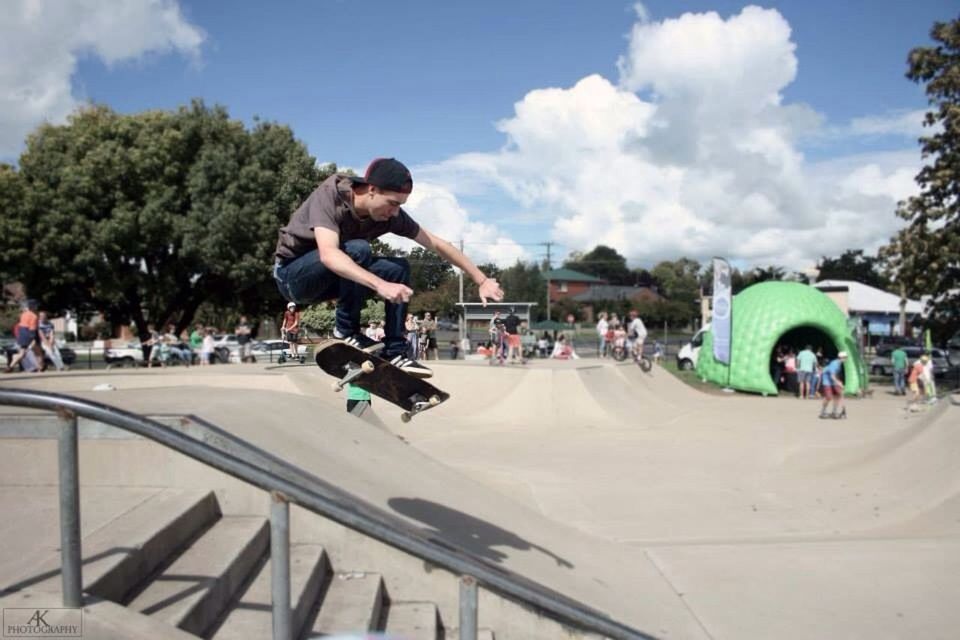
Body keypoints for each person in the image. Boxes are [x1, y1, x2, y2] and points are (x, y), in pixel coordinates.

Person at [273, 157, 503, 378]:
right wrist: (380, 285)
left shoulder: (391, 216)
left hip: (332, 280)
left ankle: (395, 351)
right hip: (293, 277)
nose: (394, 212)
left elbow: (436, 243)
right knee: (358, 249)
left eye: (400, 205)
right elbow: (329, 255)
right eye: (392, 203)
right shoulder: (331, 195)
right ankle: (345, 332)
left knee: (398, 269)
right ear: (371, 189)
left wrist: (481, 280)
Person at [6, 300, 39, 373]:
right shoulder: (34, 316)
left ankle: (11, 366)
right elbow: (32, 328)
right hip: (27, 333)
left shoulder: (24, 314)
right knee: (23, 353)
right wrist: (32, 338)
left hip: (21, 333)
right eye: (35, 306)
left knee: (23, 352)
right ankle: (12, 362)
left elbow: (21, 325)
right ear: (33, 307)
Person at [819, 351, 848, 419]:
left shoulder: (839, 364)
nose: (846, 359)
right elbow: (832, 376)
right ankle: (822, 412)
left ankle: (834, 412)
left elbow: (835, 375)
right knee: (829, 397)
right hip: (827, 381)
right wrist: (839, 383)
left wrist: (838, 382)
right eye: (845, 357)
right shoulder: (834, 364)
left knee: (837, 395)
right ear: (841, 358)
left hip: (833, 381)